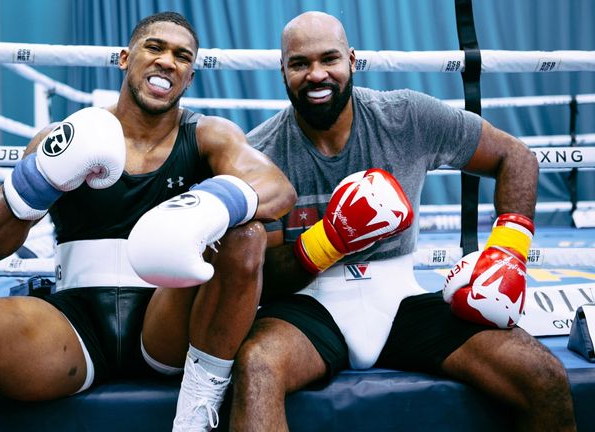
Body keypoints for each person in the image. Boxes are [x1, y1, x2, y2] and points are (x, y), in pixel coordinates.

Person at [0, 11, 295, 432]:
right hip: (75, 324)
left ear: (189, 78)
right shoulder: (64, 137)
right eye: (155, 47)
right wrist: (40, 177)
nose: (168, 61)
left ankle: (198, 402)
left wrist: (210, 205)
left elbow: (276, 188)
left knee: (246, 233)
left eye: (182, 56)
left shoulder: (208, 135)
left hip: (169, 322)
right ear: (123, 58)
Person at [229, 11, 577, 432]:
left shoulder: (404, 117)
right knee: (257, 367)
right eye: (300, 63)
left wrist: (509, 250)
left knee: (542, 374)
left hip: (401, 300)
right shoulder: (260, 154)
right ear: (282, 70)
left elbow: (515, 157)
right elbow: (265, 277)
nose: (316, 74)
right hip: (308, 306)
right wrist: (330, 240)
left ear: (352, 60)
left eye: (329, 59)